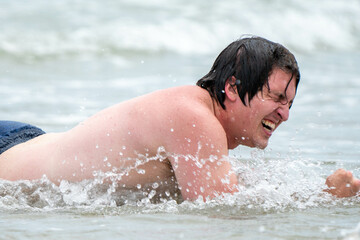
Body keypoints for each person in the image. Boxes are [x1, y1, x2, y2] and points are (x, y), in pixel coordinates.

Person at [0, 36, 358, 202]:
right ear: (232, 87)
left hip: (25, 141)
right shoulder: (195, 118)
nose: (285, 114)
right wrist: (326, 198)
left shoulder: (201, 122)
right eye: (276, 97)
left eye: (290, 104)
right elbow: (220, 212)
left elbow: (231, 192)